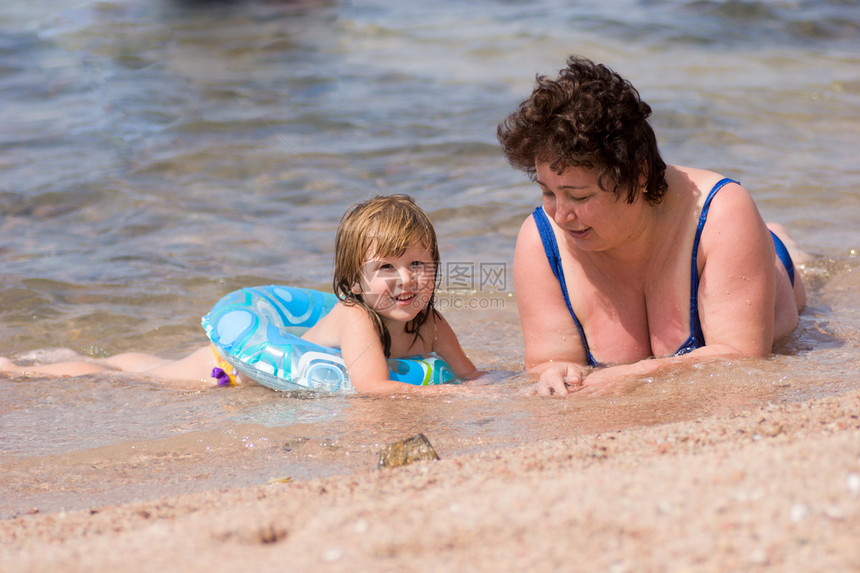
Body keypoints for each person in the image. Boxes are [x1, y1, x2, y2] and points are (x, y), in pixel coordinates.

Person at [497, 55, 807, 396]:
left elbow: (742, 355)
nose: (561, 215)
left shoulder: (722, 211)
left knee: (789, 252)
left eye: (580, 197)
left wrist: (632, 376)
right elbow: (544, 363)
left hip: (757, 258)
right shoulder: (541, 241)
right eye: (547, 192)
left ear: (638, 174)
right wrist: (554, 374)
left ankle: (783, 240)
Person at [0, 195, 480, 393]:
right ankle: (27, 369)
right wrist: (456, 402)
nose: (406, 280)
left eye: (418, 263)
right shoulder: (356, 317)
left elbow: (470, 376)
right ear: (355, 281)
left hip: (258, 368)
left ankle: (94, 356)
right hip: (230, 370)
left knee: (143, 366)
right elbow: (373, 389)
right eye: (386, 268)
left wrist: (499, 389)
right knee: (145, 379)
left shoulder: (433, 324)